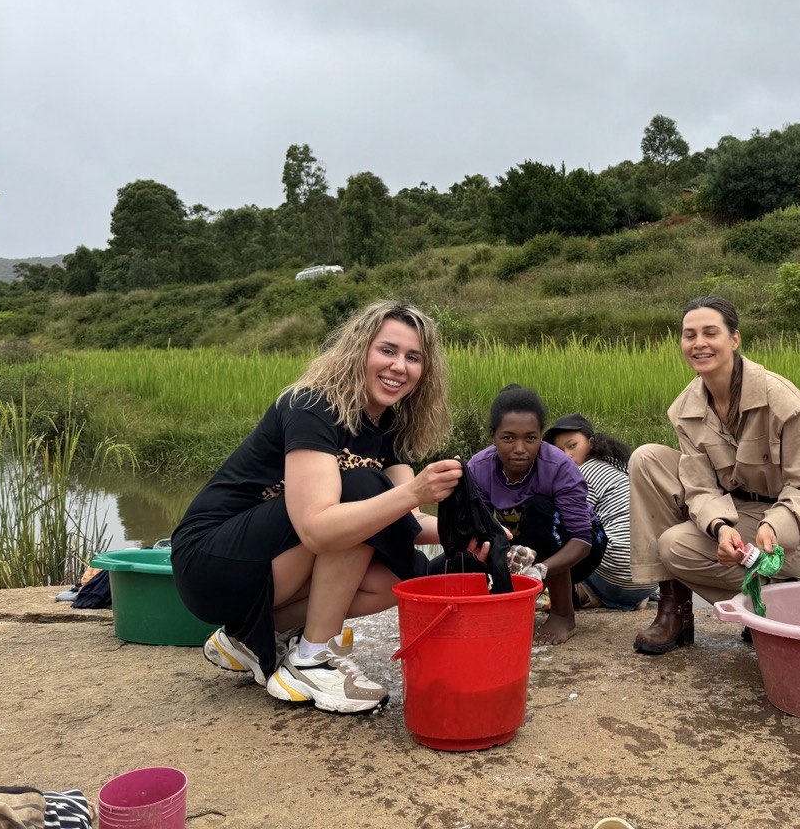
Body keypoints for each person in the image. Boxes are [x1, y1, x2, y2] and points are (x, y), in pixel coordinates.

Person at [171, 300, 465, 714]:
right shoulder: (312, 405)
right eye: (387, 350)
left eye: (413, 358)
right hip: (210, 563)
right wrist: (416, 490)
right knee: (363, 488)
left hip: (268, 567)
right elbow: (318, 530)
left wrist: (466, 534)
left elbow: (406, 520)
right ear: (359, 349)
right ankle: (312, 657)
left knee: (400, 576)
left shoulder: (390, 425)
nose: (399, 366)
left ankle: (247, 637)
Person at [628, 296, 800, 655]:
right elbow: (699, 485)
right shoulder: (685, 409)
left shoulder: (783, 401)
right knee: (646, 459)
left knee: (675, 545)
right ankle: (675, 610)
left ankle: (769, 599)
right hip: (735, 514)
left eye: (711, 333)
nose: (699, 344)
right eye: (689, 335)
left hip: (792, 527)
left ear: (734, 339)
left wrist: (774, 526)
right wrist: (720, 528)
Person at [439, 385, 607, 645]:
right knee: (445, 563)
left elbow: (582, 540)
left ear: (541, 437)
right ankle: (510, 600)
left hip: (579, 550)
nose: (520, 448)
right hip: (522, 545)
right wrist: (500, 552)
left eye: (530, 438)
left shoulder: (558, 467)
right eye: (508, 438)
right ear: (493, 436)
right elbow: (481, 526)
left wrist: (541, 569)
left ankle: (564, 614)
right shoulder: (480, 468)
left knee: (539, 509)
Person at [543, 413, 658, 612]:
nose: (567, 456)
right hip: (649, 580)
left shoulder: (583, 473)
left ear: (591, 443)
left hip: (615, 576)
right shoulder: (622, 468)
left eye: (572, 446)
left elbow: (573, 529)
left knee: (559, 532)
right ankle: (631, 599)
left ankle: (584, 595)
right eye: (560, 451)